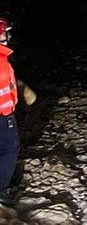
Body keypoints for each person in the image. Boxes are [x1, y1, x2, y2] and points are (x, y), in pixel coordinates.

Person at [0, 18, 36, 207]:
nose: (8, 35)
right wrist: (8, 114)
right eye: (5, 32)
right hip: (2, 115)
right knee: (9, 149)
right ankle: (1, 190)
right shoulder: (2, 63)